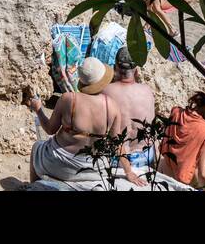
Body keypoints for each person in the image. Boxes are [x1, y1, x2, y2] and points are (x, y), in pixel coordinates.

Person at [24, 57, 147, 187]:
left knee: (37, 147)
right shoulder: (112, 107)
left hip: (60, 165)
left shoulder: (68, 99)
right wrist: (128, 171)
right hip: (93, 168)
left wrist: (38, 110)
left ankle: (33, 187)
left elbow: (50, 129)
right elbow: (117, 144)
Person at [102, 47, 157, 173]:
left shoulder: (106, 91)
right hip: (144, 157)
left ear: (115, 67)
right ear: (136, 70)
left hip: (116, 158)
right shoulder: (148, 92)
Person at [159, 91, 205, 188]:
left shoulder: (176, 112)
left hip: (164, 170)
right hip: (184, 182)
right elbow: (203, 174)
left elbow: (163, 145)